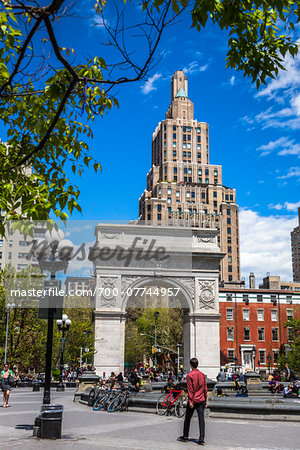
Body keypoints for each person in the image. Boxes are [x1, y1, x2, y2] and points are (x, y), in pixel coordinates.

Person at [178, 358, 207, 446]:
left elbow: (190, 390)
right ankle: (201, 439)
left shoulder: (189, 376)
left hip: (193, 400)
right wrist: (205, 400)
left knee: (187, 418)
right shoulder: (202, 375)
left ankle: (185, 436)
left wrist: (190, 401)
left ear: (191, 365)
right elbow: (205, 388)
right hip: (201, 399)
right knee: (201, 419)